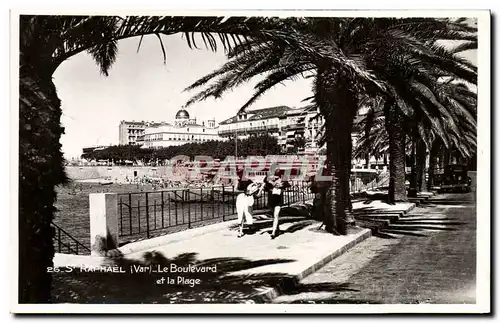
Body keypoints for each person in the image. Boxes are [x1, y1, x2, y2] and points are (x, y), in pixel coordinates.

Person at [265, 169, 290, 239]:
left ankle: (273, 232)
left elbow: (288, 185)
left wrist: (281, 185)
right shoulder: (269, 178)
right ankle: (277, 228)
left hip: (278, 199)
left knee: (276, 215)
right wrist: (270, 183)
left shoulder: (282, 179)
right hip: (271, 199)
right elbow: (265, 185)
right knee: (274, 216)